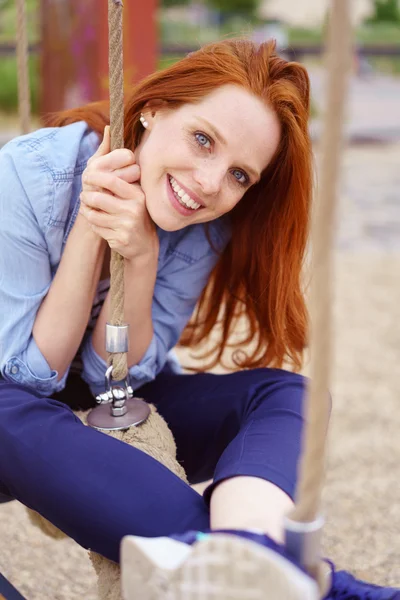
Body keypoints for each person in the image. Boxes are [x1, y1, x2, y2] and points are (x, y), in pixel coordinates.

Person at [0, 39, 398, 600]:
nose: (210, 183)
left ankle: (251, 547)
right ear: (154, 109)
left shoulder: (205, 225)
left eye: (241, 175)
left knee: (291, 395)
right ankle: (288, 578)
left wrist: (141, 258)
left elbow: (113, 380)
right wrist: (94, 224)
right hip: (12, 409)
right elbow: (30, 376)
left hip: (91, 404)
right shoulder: (31, 171)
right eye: (203, 140)